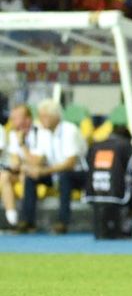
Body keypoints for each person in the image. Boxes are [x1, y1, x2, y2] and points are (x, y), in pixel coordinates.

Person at [17, 99, 88, 234]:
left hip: (79, 174)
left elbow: (70, 164)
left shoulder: (70, 130)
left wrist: (43, 171)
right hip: (55, 173)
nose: (40, 119)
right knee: (31, 177)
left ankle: (62, 222)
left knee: (64, 177)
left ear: (55, 116)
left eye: (44, 116)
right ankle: (27, 221)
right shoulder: (43, 133)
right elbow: (37, 161)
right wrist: (22, 146)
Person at [83, 123, 132, 239]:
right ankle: (127, 222)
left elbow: (86, 169)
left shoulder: (94, 147)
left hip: (94, 194)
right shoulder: (126, 146)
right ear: (128, 138)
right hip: (118, 195)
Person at [0, 105, 36, 227]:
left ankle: (26, 218)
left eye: (16, 118)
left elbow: (34, 161)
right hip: (21, 169)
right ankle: (12, 219)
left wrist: (21, 144)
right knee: (4, 176)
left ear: (28, 119)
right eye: (12, 118)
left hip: (41, 172)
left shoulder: (39, 132)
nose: (12, 121)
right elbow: (15, 160)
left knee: (26, 174)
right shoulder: (13, 134)